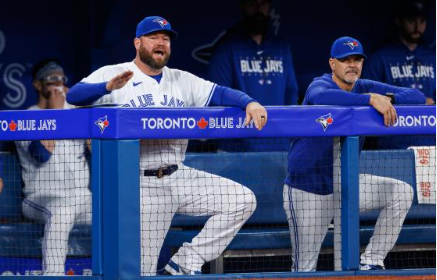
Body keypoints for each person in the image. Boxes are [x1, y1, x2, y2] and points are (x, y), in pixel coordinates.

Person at [67, 16, 267, 276]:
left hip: (179, 175)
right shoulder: (114, 72)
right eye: (154, 37)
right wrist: (106, 87)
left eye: (166, 38)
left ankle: (184, 262)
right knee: (142, 272)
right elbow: (73, 96)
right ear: (137, 43)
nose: (161, 42)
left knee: (241, 200)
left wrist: (249, 102)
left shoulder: (182, 79)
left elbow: (220, 93)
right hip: (141, 184)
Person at [283, 37, 426, 271]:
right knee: (303, 270)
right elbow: (321, 98)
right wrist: (370, 99)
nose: (352, 64)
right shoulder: (320, 85)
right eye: (345, 60)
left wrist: (387, 99)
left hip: (344, 185)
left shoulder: (363, 85)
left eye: (357, 59)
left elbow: (417, 97)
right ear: (332, 64)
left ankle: (372, 260)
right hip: (308, 191)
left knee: (401, 191)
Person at [14, 59, 91, 275]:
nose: (59, 85)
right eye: (52, 80)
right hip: (40, 197)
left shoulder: (74, 113)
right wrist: (56, 113)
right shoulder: (26, 117)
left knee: (115, 212)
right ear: (38, 85)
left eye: (62, 80)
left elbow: (97, 151)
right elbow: (41, 154)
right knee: (62, 211)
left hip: (82, 199)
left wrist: (80, 114)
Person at [208, 0, 298, 151]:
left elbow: (291, 93)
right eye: (252, 3)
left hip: (278, 145)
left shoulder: (281, 47)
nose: (258, 9)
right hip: (236, 150)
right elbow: (219, 98)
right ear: (242, 6)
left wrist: (287, 133)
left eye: (263, 3)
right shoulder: (226, 48)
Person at [362, 0, 436, 148]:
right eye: (411, 21)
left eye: (422, 21)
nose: (417, 27)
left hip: (431, 142)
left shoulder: (433, 57)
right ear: (398, 21)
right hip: (393, 143)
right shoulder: (380, 58)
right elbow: (367, 99)